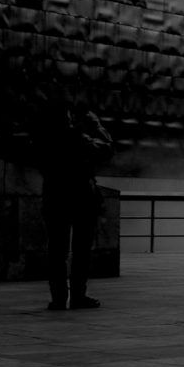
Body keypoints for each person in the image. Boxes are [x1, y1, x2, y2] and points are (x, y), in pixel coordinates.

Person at [41, 107, 112, 311]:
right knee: (81, 252)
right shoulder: (77, 138)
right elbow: (107, 149)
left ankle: (58, 299)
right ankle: (78, 296)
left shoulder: (44, 141)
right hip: (81, 200)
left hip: (54, 199)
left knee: (56, 253)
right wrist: (96, 125)